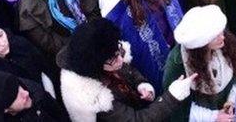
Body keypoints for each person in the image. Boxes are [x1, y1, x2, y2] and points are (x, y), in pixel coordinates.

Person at [61, 18, 195, 122]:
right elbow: (137, 120)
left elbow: (129, 71)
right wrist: (172, 97)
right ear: (95, 66)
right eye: (113, 58)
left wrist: (142, 85)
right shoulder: (98, 100)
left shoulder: (108, 58)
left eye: (118, 51)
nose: (121, 59)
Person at [99, 0, 184, 90]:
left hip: (173, 41)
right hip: (155, 57)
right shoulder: (116, 7)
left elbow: (172, 7)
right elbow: (130, 39)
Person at [162, 5, 236, 121]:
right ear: (201, 43)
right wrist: (214, 117)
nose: (222, 37)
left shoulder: (225, 45)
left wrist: (231, 100)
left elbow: (235, 78)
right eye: (215, 36)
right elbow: (177, 109)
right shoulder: (178, 65)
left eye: (221, 31)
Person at [0, 69, 67, 121]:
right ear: (4, 109)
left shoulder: (33, 90)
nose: (26, 93)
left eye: (19, 87)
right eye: (15, 96)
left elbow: (60, 115)